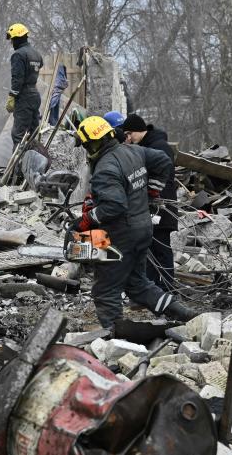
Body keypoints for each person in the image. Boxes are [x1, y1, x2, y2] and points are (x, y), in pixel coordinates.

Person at [72, 115, 197, 332]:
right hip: (143, 229)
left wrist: (88, 219)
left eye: (86, 145)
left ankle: (114, 335)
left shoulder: (105, 169)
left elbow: (115, 206)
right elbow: (164, 160)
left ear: (92, 144)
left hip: (121, 235)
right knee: (138, 284)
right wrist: (152, 189)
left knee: (105, 289)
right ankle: (183, 313)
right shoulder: (133, 151)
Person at [121, 113, 178, 291]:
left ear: (138, 131)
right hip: (151, 206)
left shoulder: (159, 147)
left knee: (161, 248)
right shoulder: (148, 146)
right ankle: (153, 288)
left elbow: (164, 173)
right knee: (150, 250)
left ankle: (168, 288)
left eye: (130, 134)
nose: (128, 138)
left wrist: (152, 193)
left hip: (162, 206)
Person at [4, 23, 43, 151]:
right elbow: (39, 66)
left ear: (17, 38)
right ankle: (33, 163)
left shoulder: (18, 55)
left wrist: (12, 96)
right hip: (35, 95)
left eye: (12, 40)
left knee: (18, 135)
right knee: (32, 133)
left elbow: (17, 78)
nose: (12, 43)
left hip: (24, 96)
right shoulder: (36, 54)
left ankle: (16, 167)